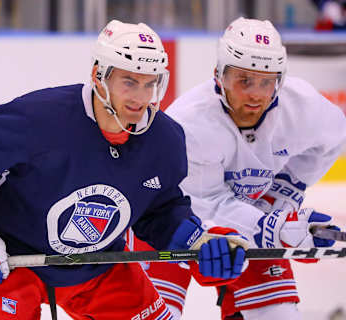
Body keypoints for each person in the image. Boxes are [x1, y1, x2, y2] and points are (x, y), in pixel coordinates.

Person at [0, 20, 248, 320]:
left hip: (96, 266)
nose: (141, 98)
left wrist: (197, 242)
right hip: (10, 265)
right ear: (98, 76)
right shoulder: (43, 119)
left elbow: (159, 208)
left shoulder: (166, 139)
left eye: (150, 84)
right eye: (129, 82)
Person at [129, 17, 346, 320]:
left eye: (266, 81)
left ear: (279, 80)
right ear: (219, 76)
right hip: (167, 223)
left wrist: (286, 190)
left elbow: (331, 140)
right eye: (244, 80)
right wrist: (275, 227)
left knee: (278, 315)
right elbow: (205, 205)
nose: (256, 94)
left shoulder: (303, 106)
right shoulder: (189, 123)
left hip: (248, 215)